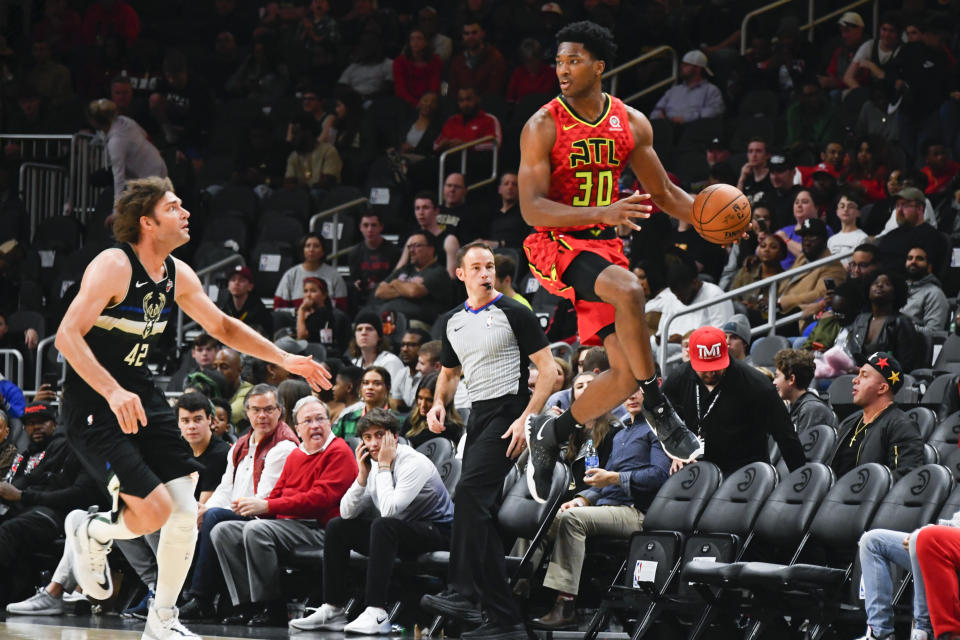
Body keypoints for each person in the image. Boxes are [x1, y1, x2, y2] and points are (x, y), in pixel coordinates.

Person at [55, 177, 330, 639]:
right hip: (93, 400)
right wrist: (111, 391)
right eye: (174, 206)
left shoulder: (178, 274)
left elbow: (222, 325)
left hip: (138, 390)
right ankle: (93, 531)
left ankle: (162, 621)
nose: (185, 212)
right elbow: (66, 335)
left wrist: (283, 358)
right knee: (151, 512)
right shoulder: (114, 265)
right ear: (147, 221)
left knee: (184, 508)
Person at [520, 22, 706, 501]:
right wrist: (603, 211)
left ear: (599, 67)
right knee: (628, 289)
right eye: (559, 61)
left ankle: (553, 435)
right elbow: (531, 207)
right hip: (555, 241)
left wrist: (707, 216)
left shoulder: (632, 122)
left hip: (603, 248)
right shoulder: (542, 125)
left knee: (622, 376)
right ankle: (661, 408)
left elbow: (664, 193)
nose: (563, 69)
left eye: (574, 60)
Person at [420, 242, 558, 640]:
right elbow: (448, 373)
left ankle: (464, 592)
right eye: (476, 267)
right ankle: (504, 619)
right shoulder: (452, 321)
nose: (485, 273)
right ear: (460, 273)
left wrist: (525, 418)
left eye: (490, 266)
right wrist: (438, 404)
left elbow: (548, 372)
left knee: (468, 495)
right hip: (478, 416)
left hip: (509, 411)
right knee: (477, 514)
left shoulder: (515, 312)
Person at [289, 408, 454, 633]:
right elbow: (346, 512)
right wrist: (362, 477)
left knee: (383, 525)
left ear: (394, 436)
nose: (374, 443)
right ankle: (333, 609)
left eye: (379, 435)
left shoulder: (414, 463)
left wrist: (384, 466)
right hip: (400, 533)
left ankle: (376, 612)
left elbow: (388, 511)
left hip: (439, 532)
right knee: (338, 526)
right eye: (368, 438)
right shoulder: (374, 466)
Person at [530, 387, 669, 630]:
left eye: (639, 391)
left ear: (651, 393)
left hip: (637, 511)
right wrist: (582, 499)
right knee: (544, 518)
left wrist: (614, 478)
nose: (632, 396)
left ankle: (566, 605)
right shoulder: (621, 434)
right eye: (628, 392)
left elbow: (658, 476)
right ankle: (515, 590)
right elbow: (603, 483)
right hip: (608, 507)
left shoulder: (656, 431)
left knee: (572, 519)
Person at [211, 396, 354, 626]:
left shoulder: (339, 452)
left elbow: (318, 500)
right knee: (224, 531)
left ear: (330, 423)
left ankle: (273, 607)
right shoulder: (297, 454)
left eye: (320, 419)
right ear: (298, 428)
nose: (315, 425)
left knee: (256, 531)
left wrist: (267, 506)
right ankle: (246, 606)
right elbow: (278, 493)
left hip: (321, 528)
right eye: (307, 421)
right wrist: (253, 505)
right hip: (290, 525)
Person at [179, 383, 299, 622]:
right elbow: (226, 488)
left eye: (268, 409)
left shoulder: (284, 446)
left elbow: (263, 497)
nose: (262, 415)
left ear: (280, 412)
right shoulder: (242, 444)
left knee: (214, 518)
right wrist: (205, 509)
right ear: (247, 413)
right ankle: (177, 595)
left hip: (266, 516)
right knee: (198, 516)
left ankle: (201, 597)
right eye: (256, 410)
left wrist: (212, 512)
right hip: (238, 511)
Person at [662, 326, 806, 475]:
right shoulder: (680, 377)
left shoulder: (756, 384)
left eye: (717, 366)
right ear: (692, 359)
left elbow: (786, 435)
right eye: (704, 368)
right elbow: (659, 413)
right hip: (699, 469)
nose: (711, 373)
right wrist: (676, 450)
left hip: (745, 472)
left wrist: (800, 482)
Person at [830, 352, 923, 480]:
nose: (855, 380)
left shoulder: (901, 426)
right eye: (858, 374)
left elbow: (904, 477)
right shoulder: (849, 423)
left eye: (864, 375)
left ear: (882, 388)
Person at [86, 98, 167, 202]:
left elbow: (119, 177)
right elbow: (144, 134)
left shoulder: (115, 143)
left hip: (149, 175)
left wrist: (116, 210)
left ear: (94, 121)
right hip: (156, 165)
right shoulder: (125, 121)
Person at [846, 270, 926, 374]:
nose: (879, 285)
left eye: (887, 284)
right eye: (875, 283)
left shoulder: (901, 322)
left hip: (886, 380)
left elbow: (905, 365)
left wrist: (871, 371)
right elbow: (851, 353)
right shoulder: (861, 319)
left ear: (896, 292)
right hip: (857, 377)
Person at [374, 231, 452, 325]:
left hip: (418, 322)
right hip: (390, 318)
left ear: (431, 249)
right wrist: (405, 289)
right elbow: (379, 291)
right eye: (409, 247)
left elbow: (414, 292)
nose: (411, 250)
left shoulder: (438, 272)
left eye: (417, 246)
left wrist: (395, 283)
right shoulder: (406, 269)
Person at [776, 218, 847, 316]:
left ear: (824, 240)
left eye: (812, 237)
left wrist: (780, 302)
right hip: (778, 311)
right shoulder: (803, 257)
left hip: (798, 317)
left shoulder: (833, 266)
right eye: (804, 237)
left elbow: (820, 295)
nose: (807, 243)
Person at [875, 187, 949, 274]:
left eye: (905, 205)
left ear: (920, 209)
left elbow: (923, 270)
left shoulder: (931, 236)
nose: (899, 210)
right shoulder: (891, 234)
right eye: (897, 205)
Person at [274, 232, 349, 311]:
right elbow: (279, 308)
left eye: (316, 246)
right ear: (303, 250)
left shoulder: (334, 276)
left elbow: (341, 309)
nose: (311, 249)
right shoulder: (290, 275)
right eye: (307, 246)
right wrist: (298, 312)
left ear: (323, 251)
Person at [649, 50, 724, 124]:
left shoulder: (711, 90)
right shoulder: (674, 90)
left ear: (698, 68)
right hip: (668, 128)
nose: (681, 67)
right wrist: (660, 116)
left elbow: (714, 111)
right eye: (682, 64)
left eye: (686, 65)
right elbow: (656, 111)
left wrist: (686, 119)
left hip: (694, 129)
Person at [772, 349, 838, 433]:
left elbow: (805, 445)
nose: (774, 382)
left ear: (792, 379)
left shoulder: (812, 410)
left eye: (777, 376)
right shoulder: (792, 406)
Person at [348, 211, 401, 308]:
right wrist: (356, 284)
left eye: (374, 225)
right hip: (363, 299)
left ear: (381, 227)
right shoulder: (355, 252)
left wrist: (377, 286)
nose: (369, 229)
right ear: (360, 227)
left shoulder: (394, 252)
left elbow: (397, 280)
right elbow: (354, 279)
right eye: (366, 225)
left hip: (386, 298)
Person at [400, 371, 463, 449]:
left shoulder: (448, 428)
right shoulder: (412, 419)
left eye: (429, 400)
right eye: (420, 398)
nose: (423, 405)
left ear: (442, 401)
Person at [433, 86, 501, 154]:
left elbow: (496, 143)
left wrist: (467, 145)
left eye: (469, 99)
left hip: (476, 160)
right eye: (461, 100)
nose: (465, 104)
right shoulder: (451, 121)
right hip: (449, 160)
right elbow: (435, 146)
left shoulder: (489, 119)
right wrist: (442, 145)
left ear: (478, 99)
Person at [447, 21, 506, 98]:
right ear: (463, 36)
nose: (470, 37)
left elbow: (495, 91)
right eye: (466, 33)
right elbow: (453, 91)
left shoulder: (495, 58)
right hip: (462, 106)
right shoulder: (457, 61)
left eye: (474, 33)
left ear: (483, 34)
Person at [333, 366, 395, 439]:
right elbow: (331, 445)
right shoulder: (348, 419)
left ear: (388, 388)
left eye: (377, 383)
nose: (370, 387)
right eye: (365, 383)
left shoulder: (397, 420)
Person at [296, 277, 350, 358]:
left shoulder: (324, 313)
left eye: (313, 291)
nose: (308, 295)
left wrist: (301, 310)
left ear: (324, 295)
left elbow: (301, 336)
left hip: (319, 355)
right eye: (305, 291)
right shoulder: (308, 313)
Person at [902, 246, 949, 335]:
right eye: (910, 258)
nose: (913, 261)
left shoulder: (934, 293)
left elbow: (935, 332)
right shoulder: (898, 288)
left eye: (919, 259)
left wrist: (901, 328)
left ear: (929, 267)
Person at [346, 312, 404, 382]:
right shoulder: (354, 363)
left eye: (369, 329)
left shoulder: (391, 362)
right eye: (359, 329)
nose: (363, 333)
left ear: (379, 336)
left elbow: (394, 392)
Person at [219, 265, 272, 338]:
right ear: (228, 285)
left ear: (250, 286)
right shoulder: (224, 308)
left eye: (242, 280)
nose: (236, 283)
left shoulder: (259, 310)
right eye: (233, 279)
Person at [213, 347, 253, 426]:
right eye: (214, 367)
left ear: (239, 370)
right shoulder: (213, 387)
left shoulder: (249, 392)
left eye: (224, 367)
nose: (217, 372)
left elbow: (227, 417)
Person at [391, 330, 429, 412]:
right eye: (403, 345)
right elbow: (397, 407)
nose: (404, 349)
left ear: (425, 348)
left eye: (412, 345)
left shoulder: (431, 375)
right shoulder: (401, 373)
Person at [827, 193, 869, 263]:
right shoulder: (831, 240)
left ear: (858, 212)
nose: (846, 209)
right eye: (842, 206)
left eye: (851, 207)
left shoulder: (862, 238)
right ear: (837, 212)